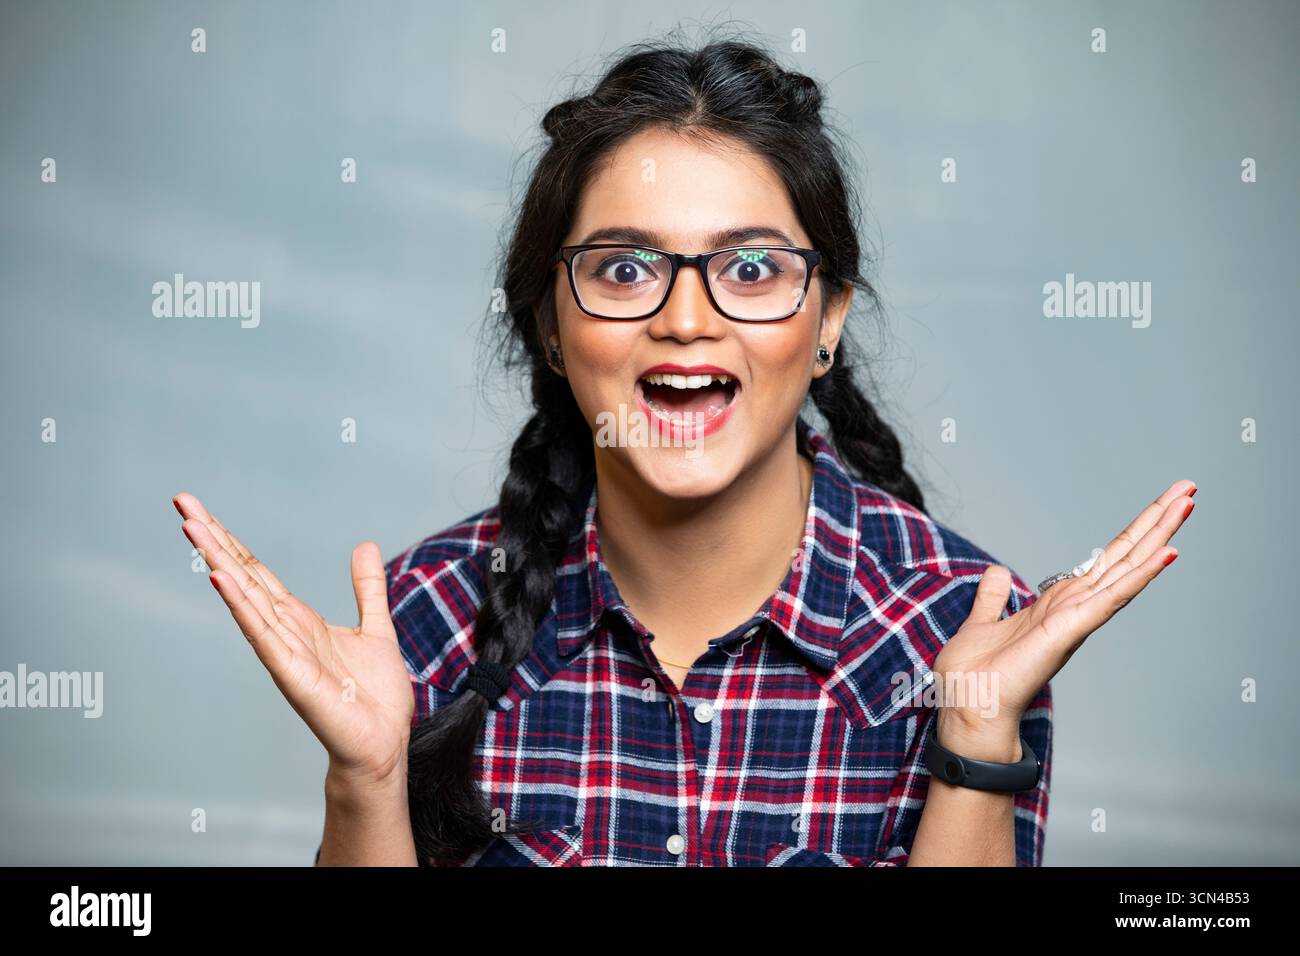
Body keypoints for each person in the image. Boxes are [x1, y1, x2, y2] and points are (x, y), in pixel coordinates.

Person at [171, 35, 1195, 867]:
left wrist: (974, 743)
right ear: (549, 326)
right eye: (624, 268)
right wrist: (365, 781)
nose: (686, 319)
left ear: (827, 318)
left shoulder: (961, 632)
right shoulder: (424, 621)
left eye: (750, 267)